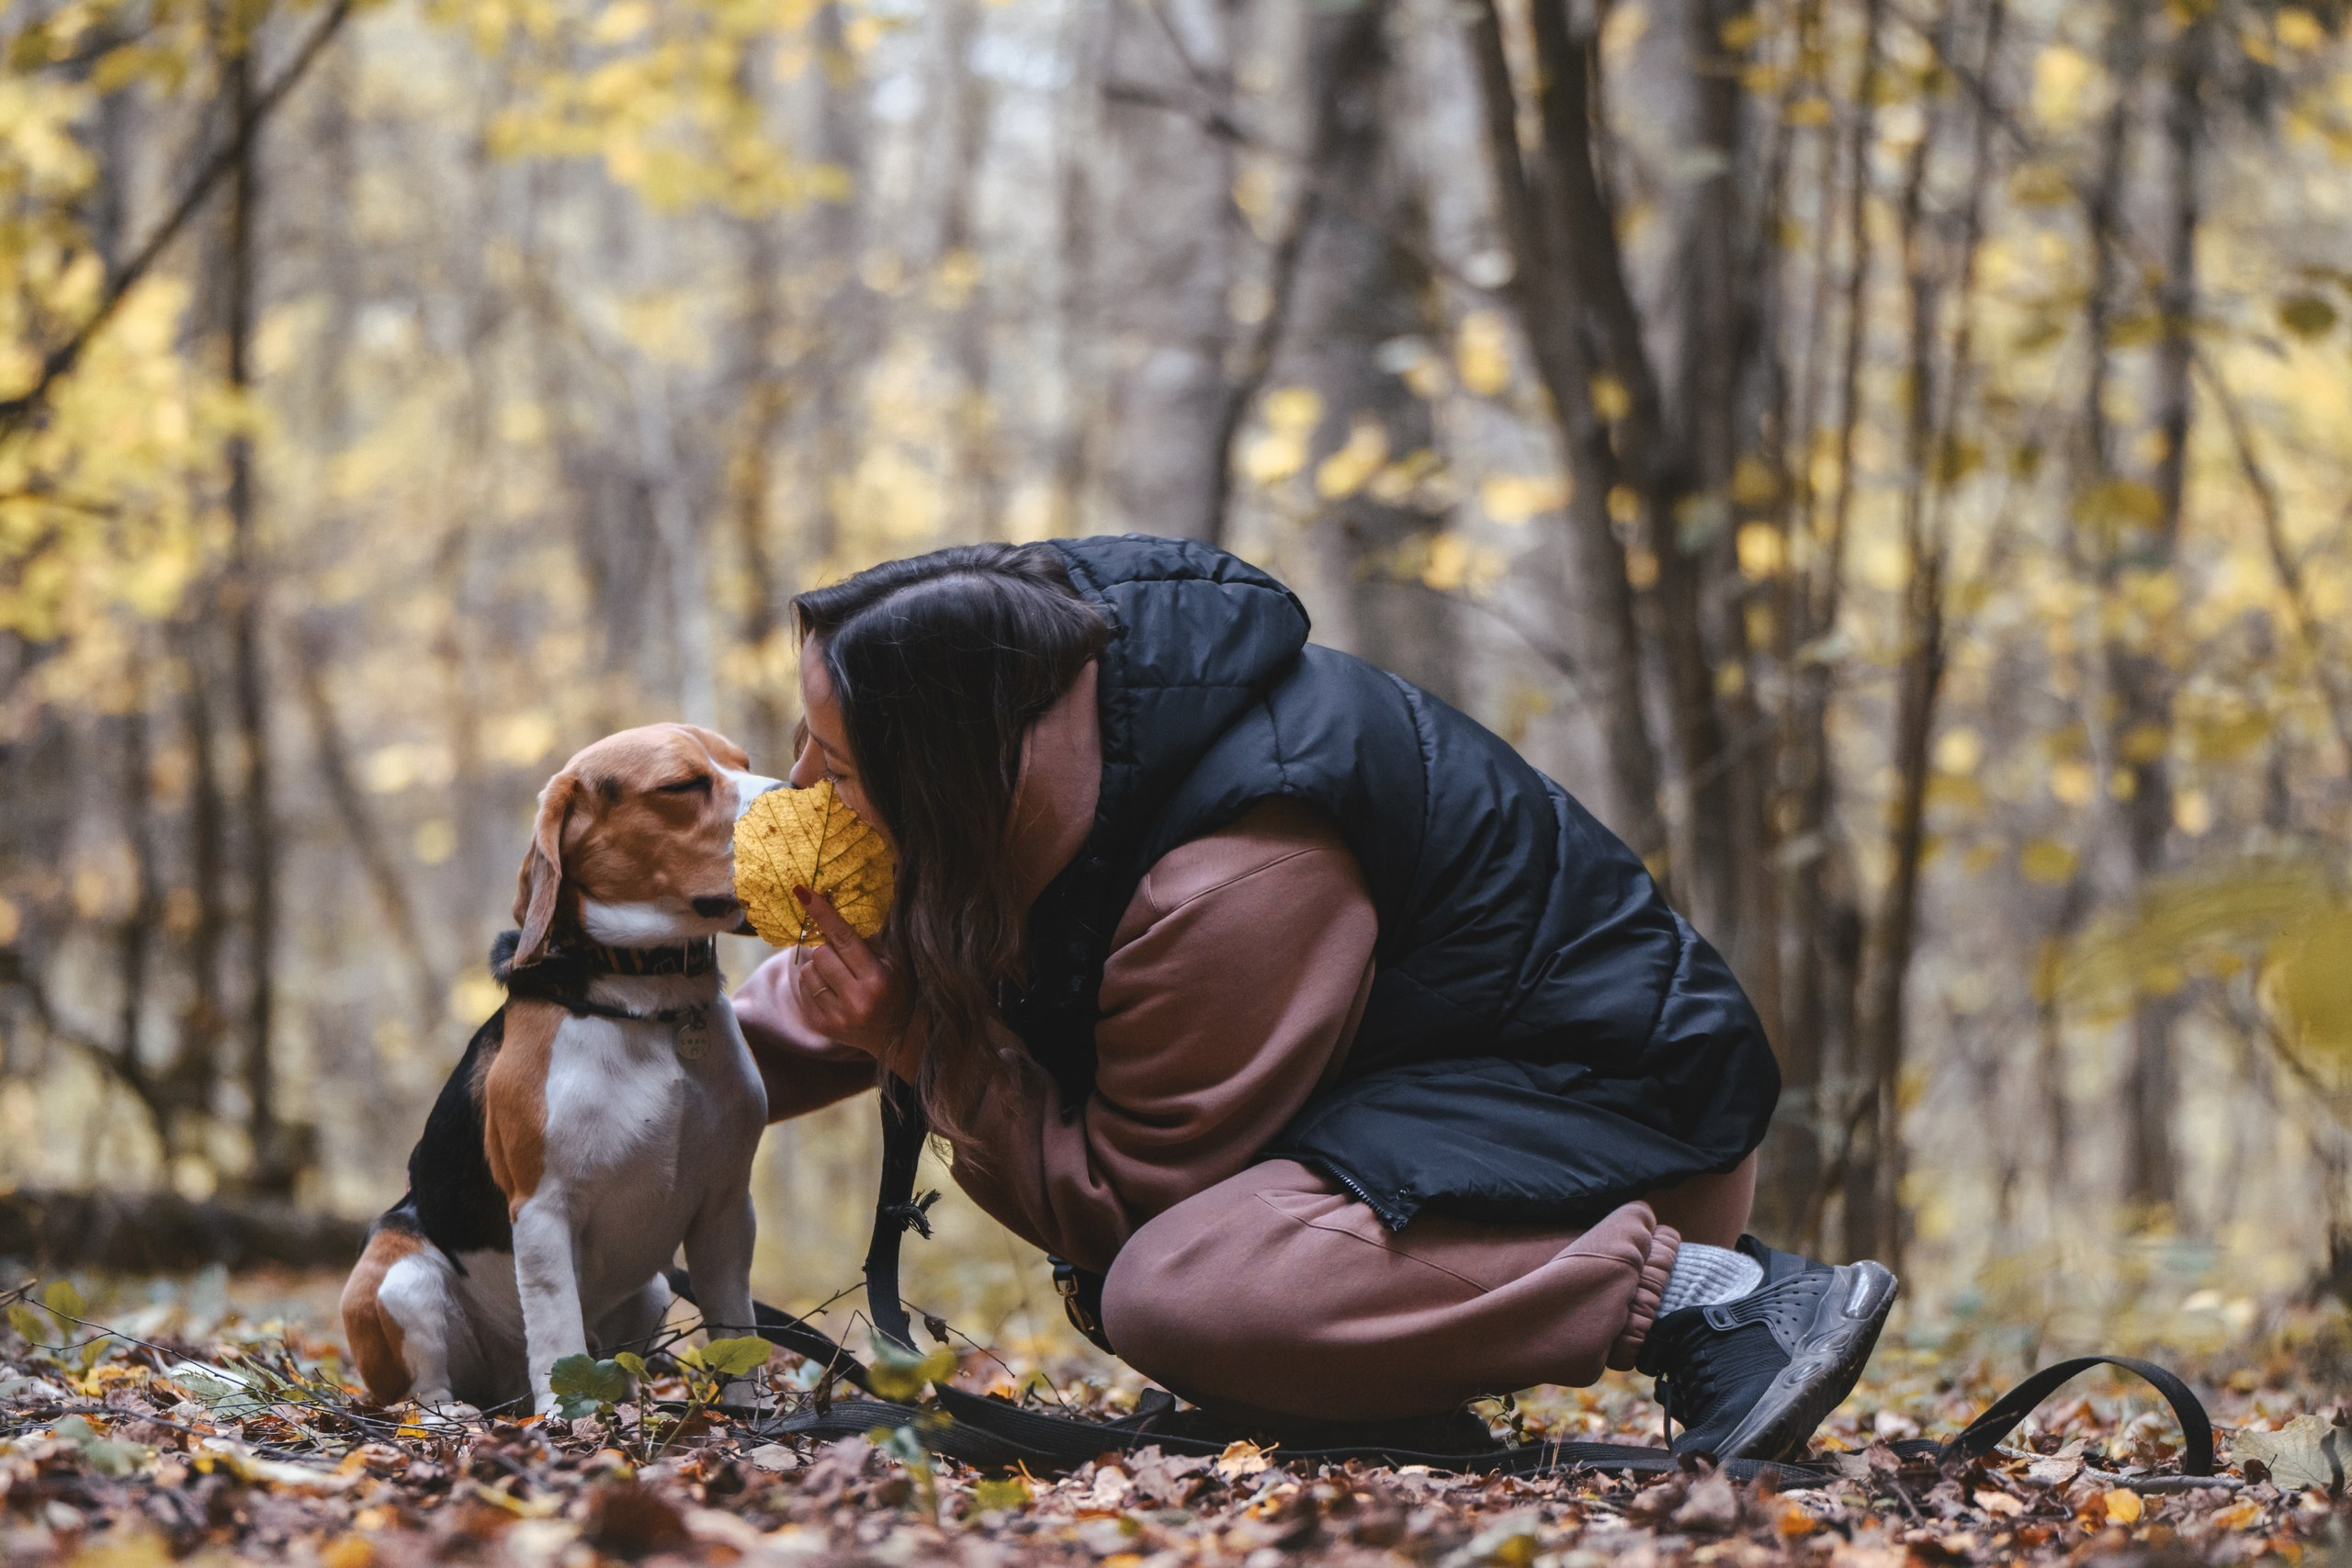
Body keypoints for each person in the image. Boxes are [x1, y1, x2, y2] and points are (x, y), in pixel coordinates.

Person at [733, 536, 1895, 1461]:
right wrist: (597, 1047)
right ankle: (1361, 1401)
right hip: (1414, 1133)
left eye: (835, 764)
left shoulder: (1234, 871)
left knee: (1181, 1293)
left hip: (1612, 1140)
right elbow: (802, 1014)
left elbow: (1129, 1209)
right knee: (1193, 1275)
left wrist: (917, 1045)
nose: (799, 791)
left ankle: (1719, 1301)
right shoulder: (1015, 761)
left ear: (942, 760)